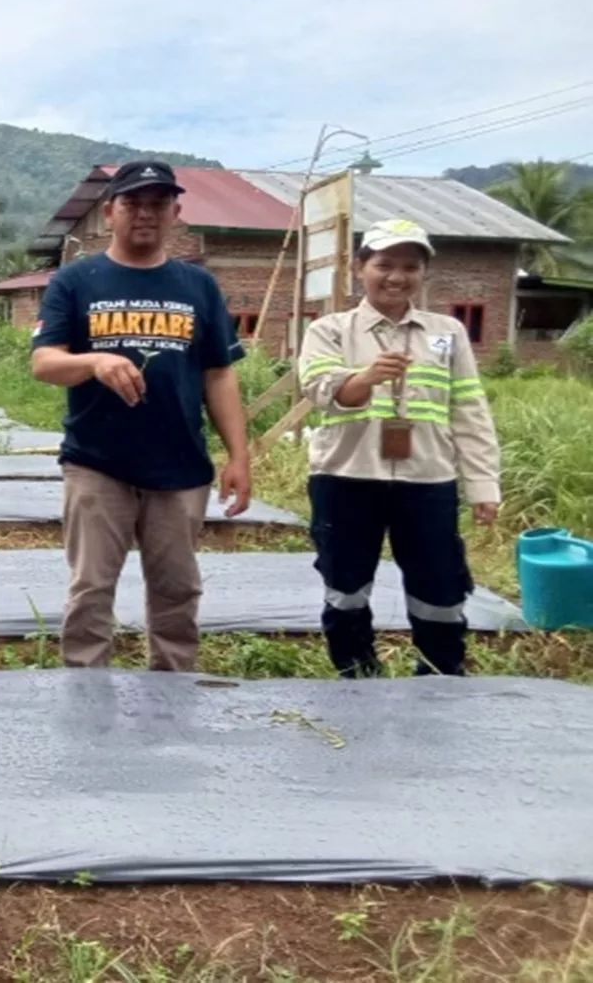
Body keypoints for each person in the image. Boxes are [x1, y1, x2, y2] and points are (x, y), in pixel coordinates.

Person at [30, 160, 251, 672]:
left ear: (176, 212)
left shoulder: (198, 286)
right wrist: (95, 361)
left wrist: (239, 455)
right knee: (90, 589)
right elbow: (44, 362)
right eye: (133, 203)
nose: (145, 214)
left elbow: (219, 374)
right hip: (97, 463)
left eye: (157, 204)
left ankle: (172, 699)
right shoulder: (75, 280)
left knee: (177, 590)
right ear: (110, 212)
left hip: (180, 466)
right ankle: (84, 696)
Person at [298, 219, 501, 678]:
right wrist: (366, 378)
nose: (396, 276)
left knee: (440, 587)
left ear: (423, 273)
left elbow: (469, 410)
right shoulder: (330, 330)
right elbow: (320, 389)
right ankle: (355, 675)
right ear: (359, 268)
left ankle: (439, 675)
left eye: (410, 266)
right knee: (345, 584)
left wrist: (483, 484)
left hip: (428, 481)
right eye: (384, 264)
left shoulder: (446, 332)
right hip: (345, 478)